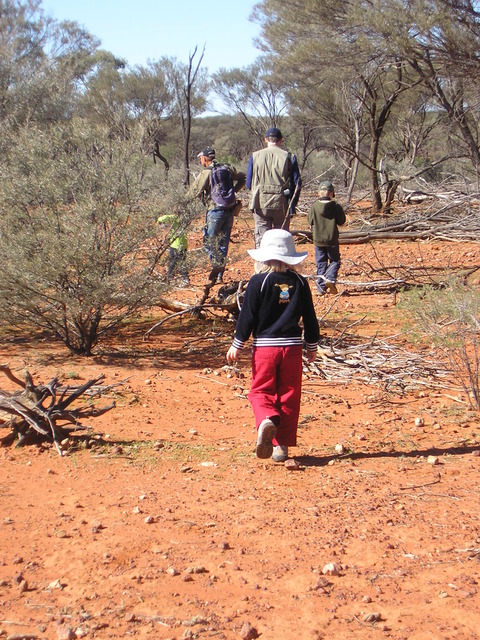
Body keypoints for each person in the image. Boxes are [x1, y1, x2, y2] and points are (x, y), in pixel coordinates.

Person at [226, 229, 319, 463]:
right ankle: (282, 447)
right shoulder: (300, 282)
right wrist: (312, 345)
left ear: (264, 256)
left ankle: (267, 419)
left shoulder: (258, 281)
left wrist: (237, 343)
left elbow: (247, 316)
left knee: (260, 391)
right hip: (293, 348)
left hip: (266, 348)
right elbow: (310, 317)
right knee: (289, 395)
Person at [187, 147, 245, 284]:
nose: (201, 160)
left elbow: (194, 192)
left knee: (208, 241)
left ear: (205, 159)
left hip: (214, 212)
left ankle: (216, 265)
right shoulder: (228, 168)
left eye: (201, 158)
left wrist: (180, 204)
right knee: (223, 243)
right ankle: (219, 275)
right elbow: (244, 177)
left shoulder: (206, 172)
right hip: (230, 211)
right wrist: (233, 191)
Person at [246, 127, 301, 248]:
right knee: (281, 240)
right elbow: (297, 184)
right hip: (281, 204)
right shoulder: (289, 157)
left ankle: (263, 266)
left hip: (260, 203)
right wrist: (292, 205)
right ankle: (280, 266)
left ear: (266, 140)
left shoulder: (254, 156)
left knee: (262, 239)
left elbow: (248, 183)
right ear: (281, 140)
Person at [307, 180, 346, 295]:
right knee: (335, 261)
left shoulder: (314, 206)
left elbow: (310, 221)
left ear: (319, 193)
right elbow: (341, 221)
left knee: (321, 263)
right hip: (332, 239)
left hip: (318, 240)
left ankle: (320, 288)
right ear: (331, 193)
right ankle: (330, 279)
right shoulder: (335, 206)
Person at [157, 212, 189, 286]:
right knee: (182, 262)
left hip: (175, 245)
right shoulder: (186, 220)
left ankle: (169, 278)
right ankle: (185, 279)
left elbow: (163, 218)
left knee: (172, 263)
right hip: (184, 245)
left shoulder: (175, 218)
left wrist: (159, 221)